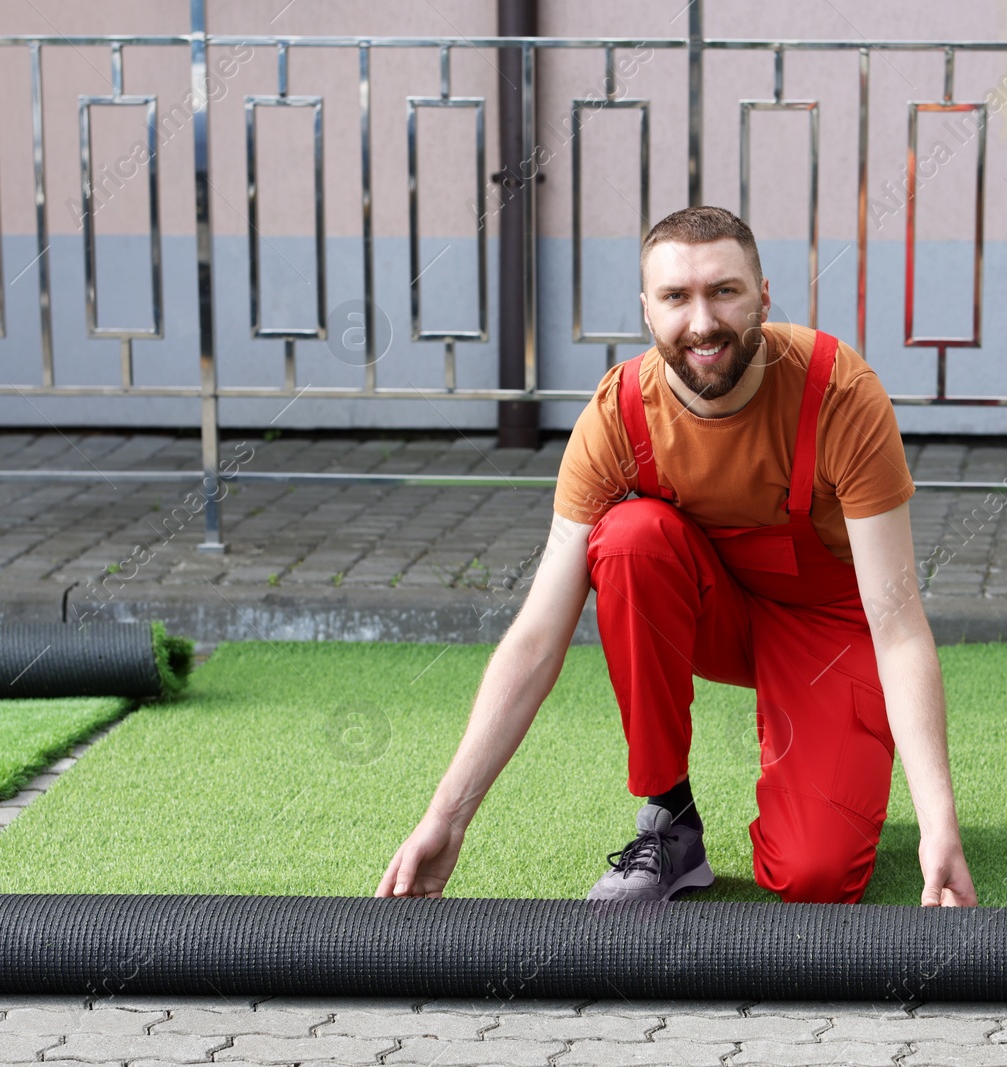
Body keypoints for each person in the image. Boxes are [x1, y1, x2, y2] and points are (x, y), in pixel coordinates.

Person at [376, 205, 976, 908]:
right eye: (676, 297)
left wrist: (939, 824)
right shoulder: (618, 414)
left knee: (816, 877)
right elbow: (539, 635)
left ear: (763, 294)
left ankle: (822, 784)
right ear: (646, 309)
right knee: (630, 538)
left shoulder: (840, 395)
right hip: (715, 617)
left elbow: (899, 625)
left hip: (827, 633)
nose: (702, 323)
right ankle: (671, 822)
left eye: (724, 291)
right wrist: (446, 818)